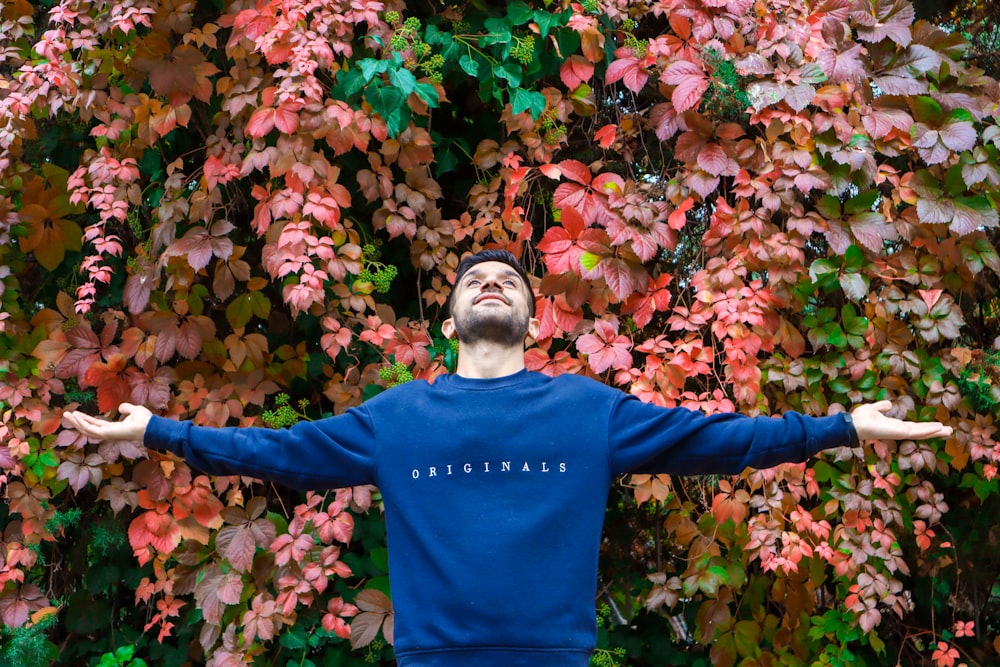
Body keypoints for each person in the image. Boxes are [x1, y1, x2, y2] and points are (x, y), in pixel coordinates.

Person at [64, 249, 953, 667]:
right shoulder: (395, 418)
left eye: (513, 282)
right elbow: (280, 452)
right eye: (474, 280)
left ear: (533, 320)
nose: (494, 283)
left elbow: (717, 440)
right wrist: (156, 432)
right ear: (447, 322)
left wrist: (841, 426)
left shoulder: (586, 409)